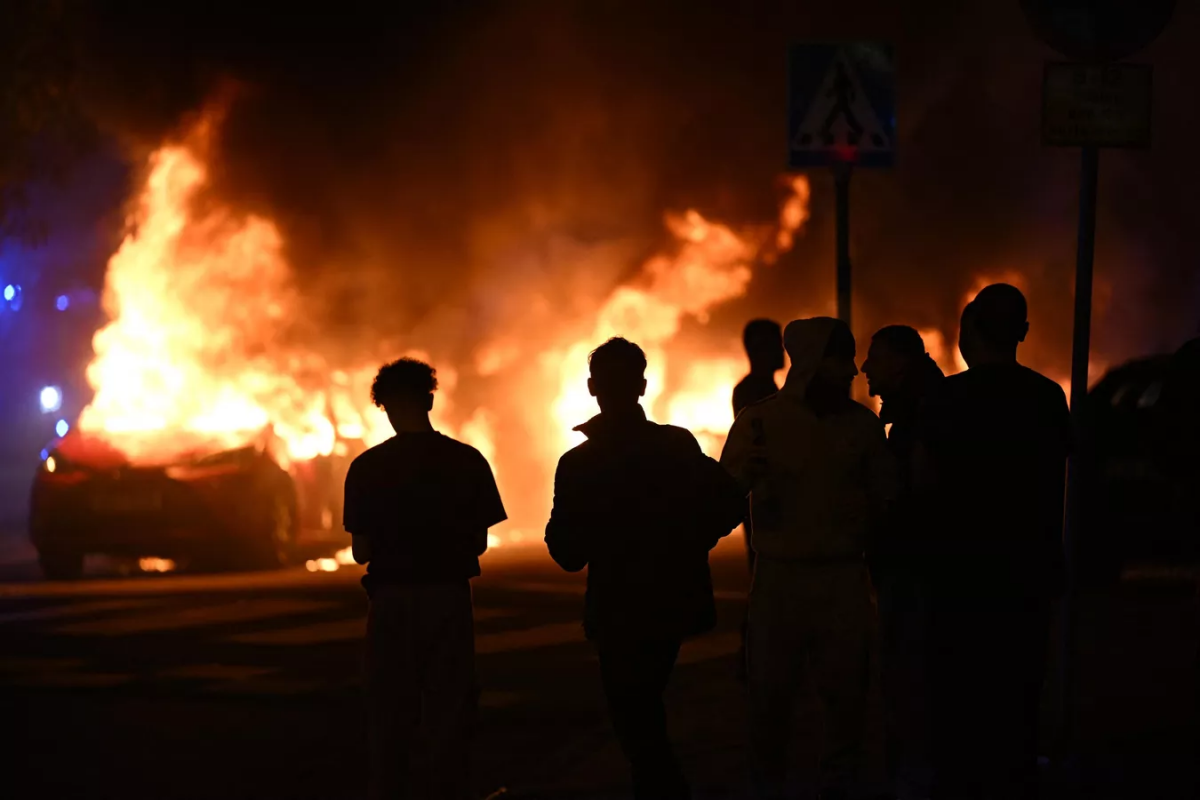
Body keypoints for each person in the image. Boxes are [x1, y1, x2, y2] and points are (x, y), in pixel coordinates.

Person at [545, 337, 745, 800]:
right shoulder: (676, 445)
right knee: (643, 712)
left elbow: (567, 553)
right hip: (673, 604)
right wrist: (692, 542)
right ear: (642, 386)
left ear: (593, 388)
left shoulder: (579, 463)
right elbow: (729, 501)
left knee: (634, 717)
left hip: (618, 610)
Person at [722, 317, 897, 800]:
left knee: (846, 707)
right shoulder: (760, 422)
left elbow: (887, 503)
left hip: (843, 581)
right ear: (814, 363)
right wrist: (740, 485)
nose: (851, 371)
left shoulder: (863, 427)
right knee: (769, 706)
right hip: (779, 582)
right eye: (840, 359)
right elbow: (718, 502)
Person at [913, 285, 1071, 800]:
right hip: (1026, 572)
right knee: (1018, 695)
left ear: (968, 333)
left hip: (959, 575)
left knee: (959, 699)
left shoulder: (946, 398)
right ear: (1022, 333)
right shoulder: (1048, 397)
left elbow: (922, 484)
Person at [344, 358, 507, 800]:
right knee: (449, 708)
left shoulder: (366, 468)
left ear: (385, 408)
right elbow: (478, 542)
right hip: (448, 598)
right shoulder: (466, 460)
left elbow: (361, 551)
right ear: (430, 399)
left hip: (392, 601)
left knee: (389, 712)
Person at [862, 325, 945, 800]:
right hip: (912, 567)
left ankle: (917, 777)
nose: (864, 368)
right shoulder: (919, 407)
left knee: (912, 675)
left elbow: (918, 495)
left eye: (874, 358)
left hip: (915, 570)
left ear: (900, 363)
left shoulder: (923, 415)